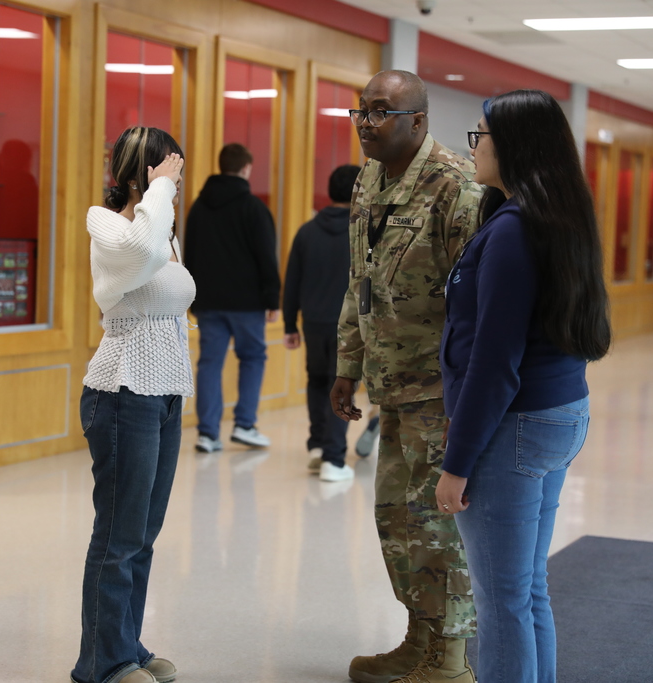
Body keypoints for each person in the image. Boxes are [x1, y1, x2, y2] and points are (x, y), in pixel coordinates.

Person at [435, 90, 611, 683]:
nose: (473, 147)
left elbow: (494, 362)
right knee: (526, 587)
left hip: (515, 426)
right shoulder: (552, 213)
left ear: (514, 144)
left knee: (501, 600)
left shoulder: (514, 230)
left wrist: (457, 463)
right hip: (558, 413)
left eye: (479, 135)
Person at [330, 70, 483, 683]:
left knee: (439, 524)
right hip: (392, 384)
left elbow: (477, 305)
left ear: (418, 121)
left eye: (381, 111)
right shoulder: (369, 179)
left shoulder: (456, 187)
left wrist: (468, 396)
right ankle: (420, 639)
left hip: (440, 392)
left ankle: (451, 660)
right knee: (398, 520)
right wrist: (348, 364)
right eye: (361, 111)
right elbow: (360, 280)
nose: (366, 123)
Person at [73, 127, 192, 683]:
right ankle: (102, 664)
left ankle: (128, 646)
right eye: (169, 170)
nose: (176, 182)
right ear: (143, 173)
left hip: (164, 392)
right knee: (118, 537)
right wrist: (159, 190)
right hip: (122, 392)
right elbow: (142, 253)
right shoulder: (108, 224)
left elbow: (161, 268)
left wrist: (160, 198)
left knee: (143, 535)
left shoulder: (161, 228)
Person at [184, 143, 281, 453]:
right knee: (252, 358)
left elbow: (189, 254)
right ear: (246, 168)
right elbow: (266, 257)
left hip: (208, 301)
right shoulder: (254, 208)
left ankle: (207, 434)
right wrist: (273, 299)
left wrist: (191, 297)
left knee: (210, 363)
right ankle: (244, 425)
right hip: (247, 303)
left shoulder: (199, 207)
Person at [283, 164, 362, 482]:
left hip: (313, 322)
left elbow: (292, 282)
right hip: (348, 326)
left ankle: (317, 445)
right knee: (343, 386)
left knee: (317, 382)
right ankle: (334, 458)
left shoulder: (307, 231)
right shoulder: (361, 233)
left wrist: (290, 325)